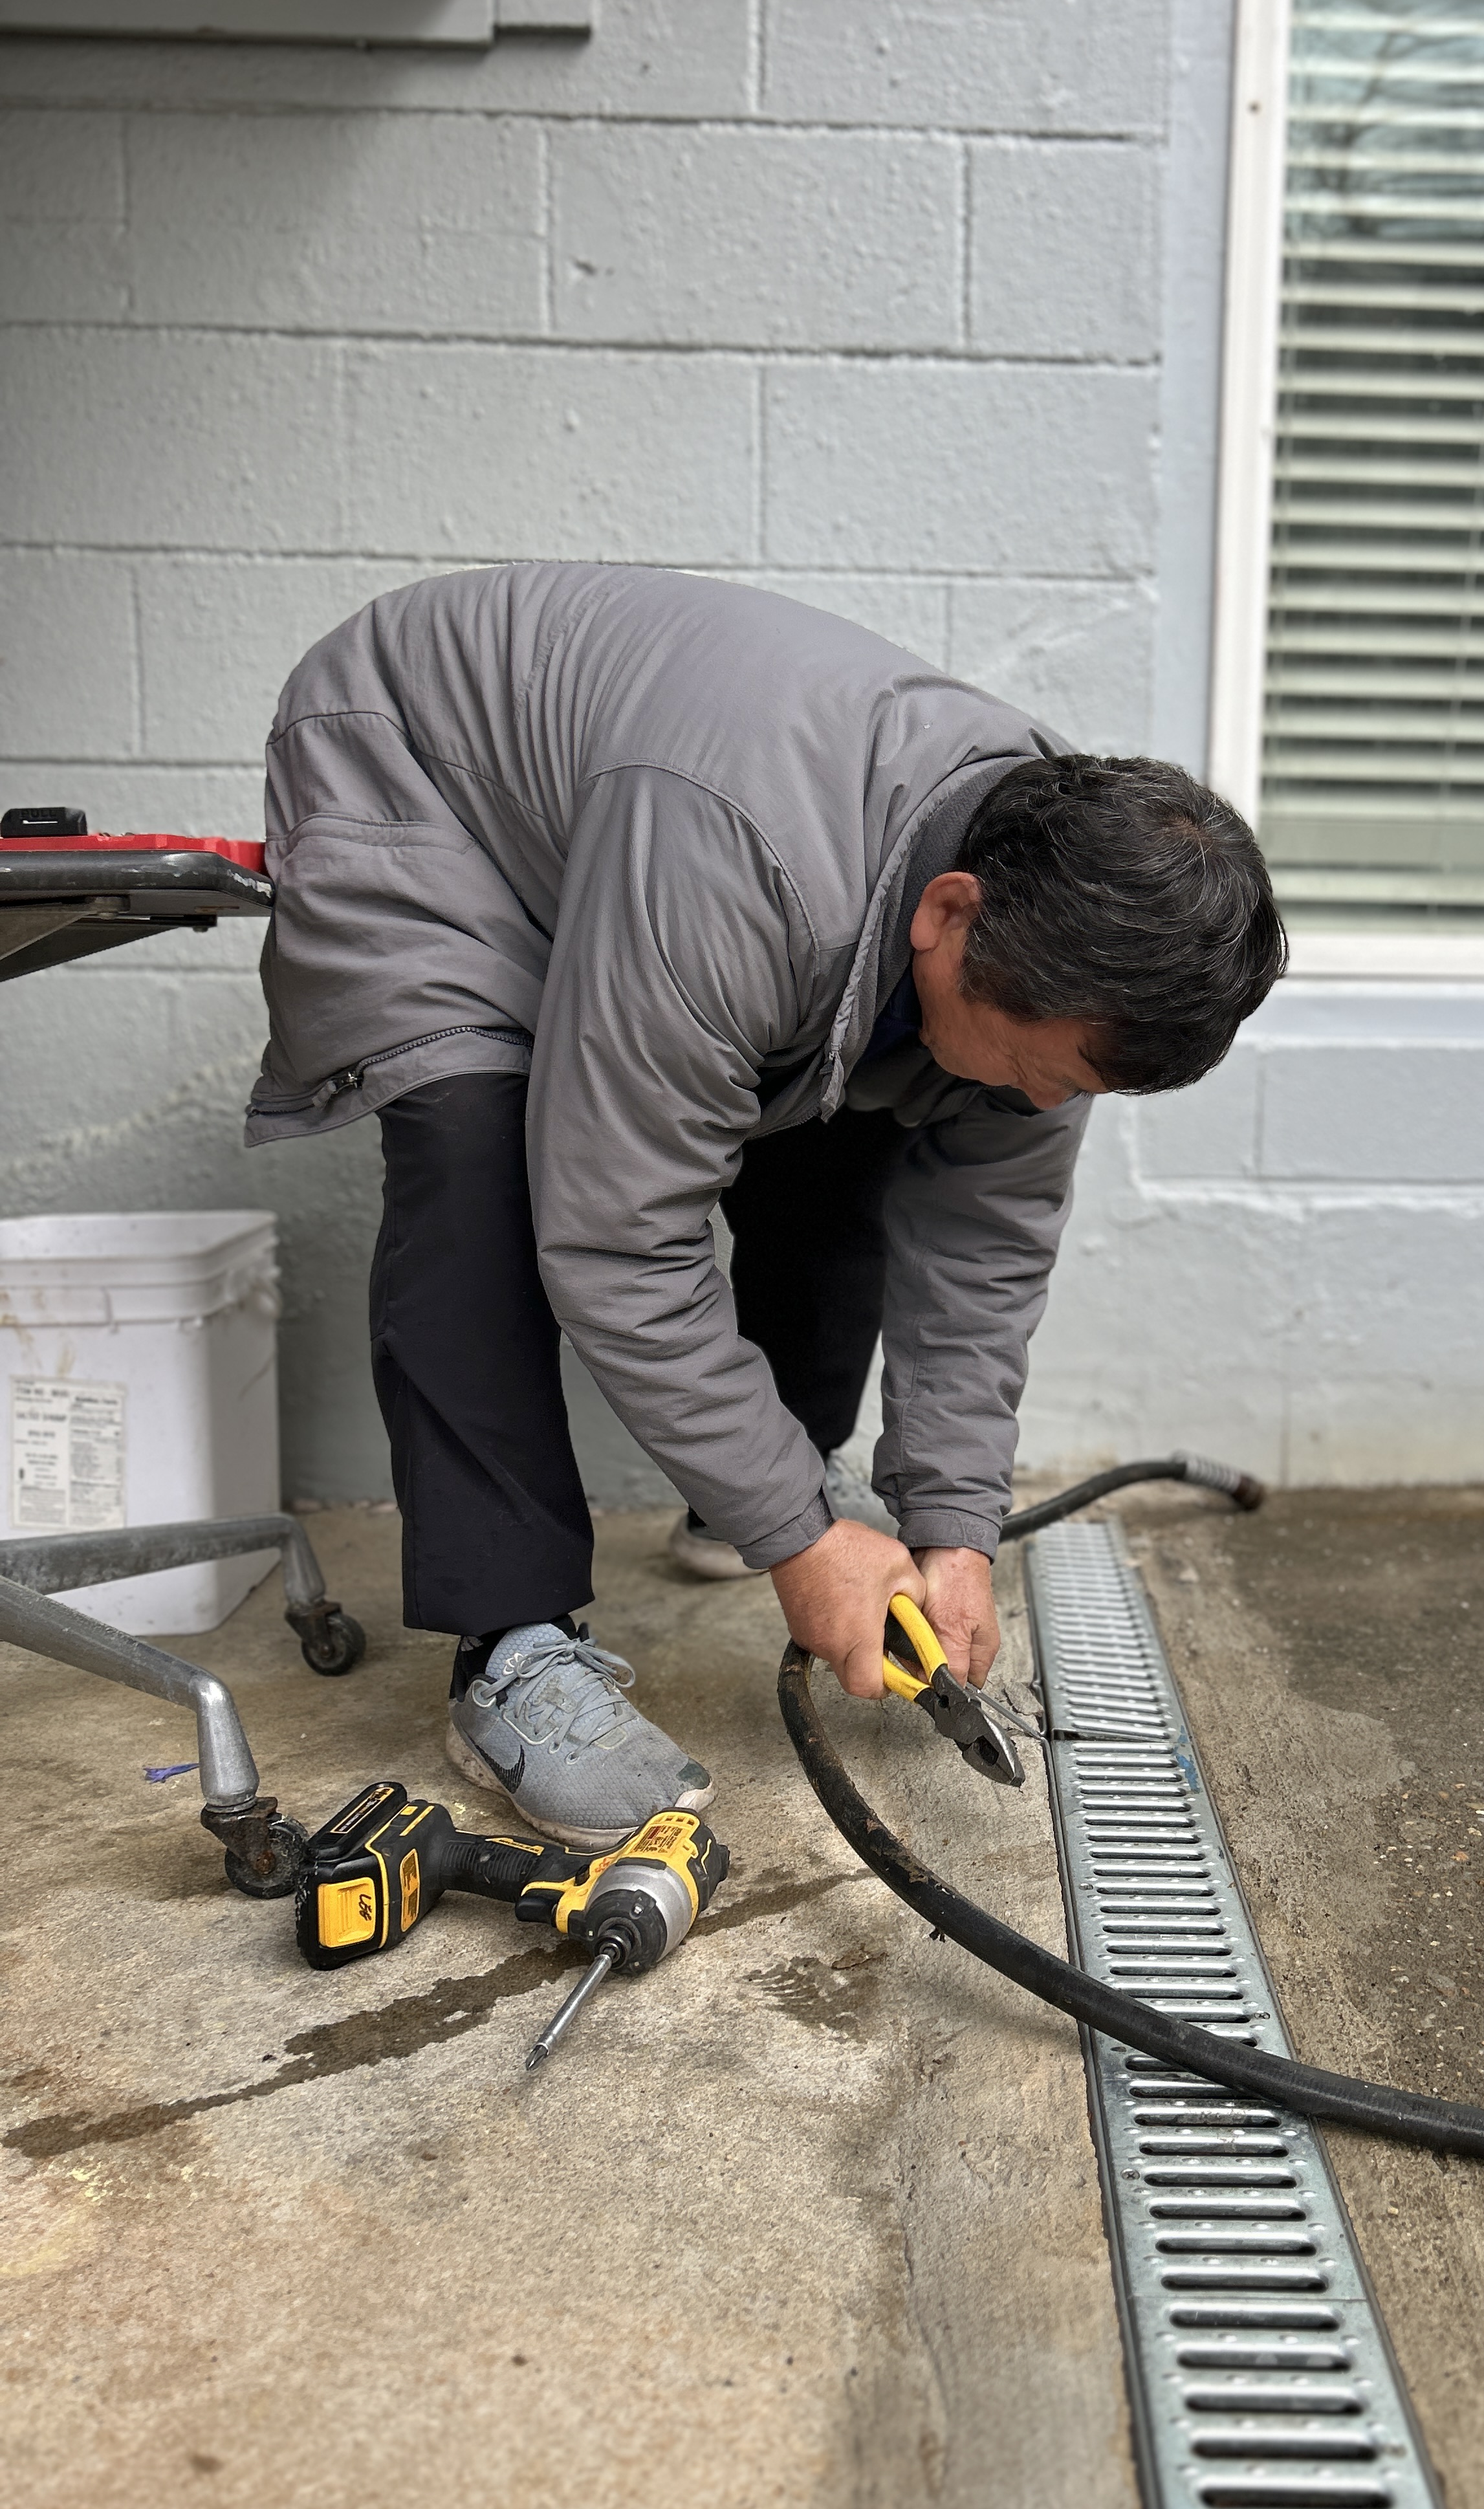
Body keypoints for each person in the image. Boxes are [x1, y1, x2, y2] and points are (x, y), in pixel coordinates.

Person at [248, 565, 1285, 1847]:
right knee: (479, 1150)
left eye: (1070, 1085)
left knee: (874, 1098)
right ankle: (509, 1648)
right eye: (1044, 1069)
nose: (1042, 1100)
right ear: (951, 910)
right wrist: (802, 1537)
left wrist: (955, 1527)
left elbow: (986, 1251)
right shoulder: (749, 865)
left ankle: (739, 1497)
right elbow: (621, 1240)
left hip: (672, 832)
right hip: (423, 773)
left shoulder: (1080, 923)